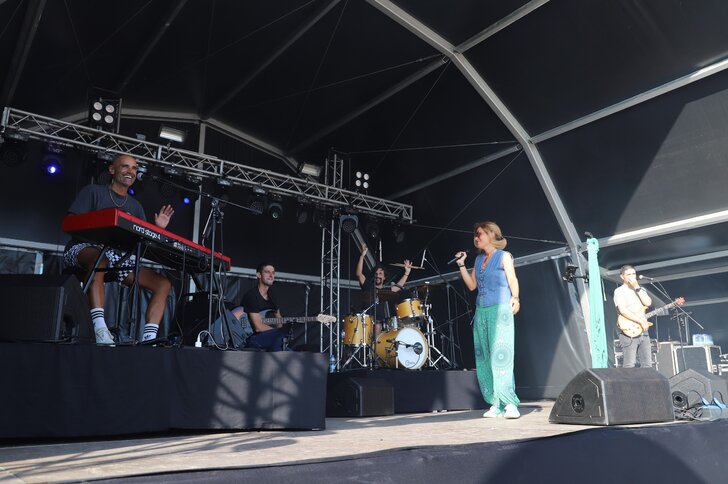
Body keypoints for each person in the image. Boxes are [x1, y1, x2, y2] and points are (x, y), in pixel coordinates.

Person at [63, 154, 174, 345]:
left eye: (134, 168)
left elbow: (140, 242)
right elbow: (71, 223)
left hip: (114, 258)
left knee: (163, 284)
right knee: (100, 259)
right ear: (112, 170)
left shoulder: (135, 206)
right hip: (81, 249)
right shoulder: (93, 192)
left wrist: (158, 230)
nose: (130, 171)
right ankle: (100, 329)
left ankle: (149, 339)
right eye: (125, 166)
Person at [454, 221, 521, 419]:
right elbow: (472, 285)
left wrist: (515, 297)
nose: (476, 238)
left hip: (500, 310)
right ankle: (496, 402)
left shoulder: (504, 256)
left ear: (491, 234)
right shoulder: (478, 259)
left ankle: (510, 402)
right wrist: (461, 265)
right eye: (475, 235)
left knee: (501, 355)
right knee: (484, 357)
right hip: (481, 311)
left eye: (480, 234)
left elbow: (512, 279)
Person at [355, 244, 412, 336]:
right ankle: (374, 344)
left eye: (380, 274)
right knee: (377, 325)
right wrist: (362, 256)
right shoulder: (368, 286)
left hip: (382, 323)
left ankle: (378, 344)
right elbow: (359, 274)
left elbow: (398, 287)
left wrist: (406, 273)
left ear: (384, 277)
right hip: (366, 322)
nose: (378, 275)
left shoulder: (386, 291)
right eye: (376, 273)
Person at [240, 262, 290, 351]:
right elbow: (258, 327)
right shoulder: (252, 296)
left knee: (286, 349)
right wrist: (278, 332)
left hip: (268, 337)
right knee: (279, 341)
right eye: (267, 272)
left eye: (273, 273)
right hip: (251, 338)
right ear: (258, 275)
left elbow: (278, 319)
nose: (271, 275)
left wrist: (282, 327)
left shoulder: (272, 296)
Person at [614, 265, 653, 368]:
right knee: (630, 364)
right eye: (628, 274)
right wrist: (641, 321)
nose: (632, 276)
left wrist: (637, 287)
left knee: (647, 364)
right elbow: (623, 311)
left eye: (633, 274)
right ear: (622, 277)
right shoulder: (619, 291)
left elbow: (648, 303)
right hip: (628, 331)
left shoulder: (640, 289)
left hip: (643, 330)